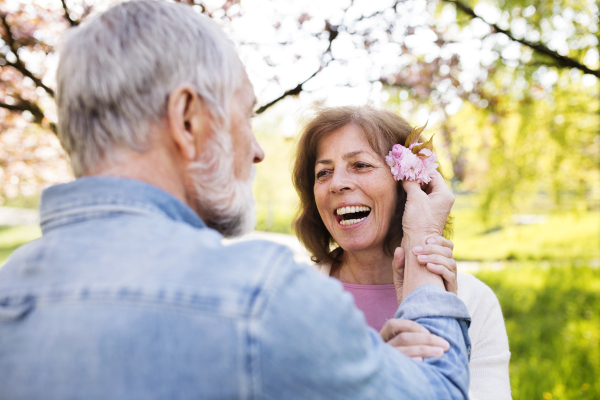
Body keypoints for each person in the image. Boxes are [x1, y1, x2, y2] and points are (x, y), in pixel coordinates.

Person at [0, 1, 471, 399]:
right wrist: (424, 242)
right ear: (188, 121)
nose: (258, 150)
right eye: (242, 116)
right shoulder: (261, 300)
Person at [291, 106, 512, 400]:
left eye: (360, 165)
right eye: (324, 172)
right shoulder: (291, 296)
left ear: (408, 184)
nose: (337, 183)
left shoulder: (474, 301)